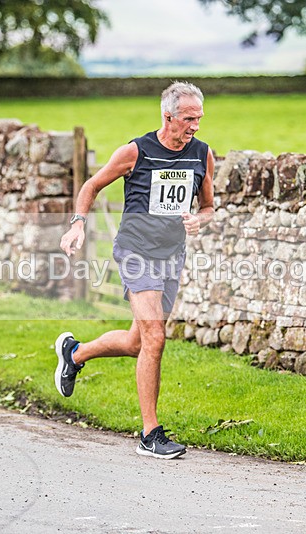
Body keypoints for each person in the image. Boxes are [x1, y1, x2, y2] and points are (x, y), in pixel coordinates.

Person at [55, 81, 215, 459]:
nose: (195, 126)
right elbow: (92, 186)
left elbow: (208, 206)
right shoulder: (136, 151)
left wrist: (199, 221)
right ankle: (150, 434)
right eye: (188, 119)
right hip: (135, 252)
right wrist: (78, 223)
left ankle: (74, 354)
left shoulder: (203, 155)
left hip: (171, 255)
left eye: (199, 119)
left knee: (137, 343)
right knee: (156, 337)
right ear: (168, 116)